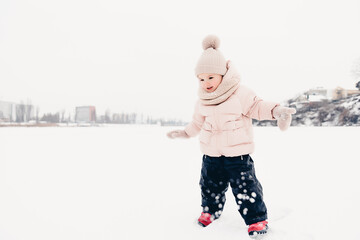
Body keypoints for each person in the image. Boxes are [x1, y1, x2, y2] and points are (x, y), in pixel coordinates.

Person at [166, 35, 296, 238]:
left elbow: (257, 107)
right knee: (209, 186)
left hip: (238, 156)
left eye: (211, 77)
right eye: (201, 78)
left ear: (222, 74)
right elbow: (197, 123)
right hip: (211, 155)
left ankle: (256, 219)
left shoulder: (239, 93)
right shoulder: (202, 101)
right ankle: (210, 211)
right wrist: (185, 132)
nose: (206, 82)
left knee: (246, 188)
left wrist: (276, 111)